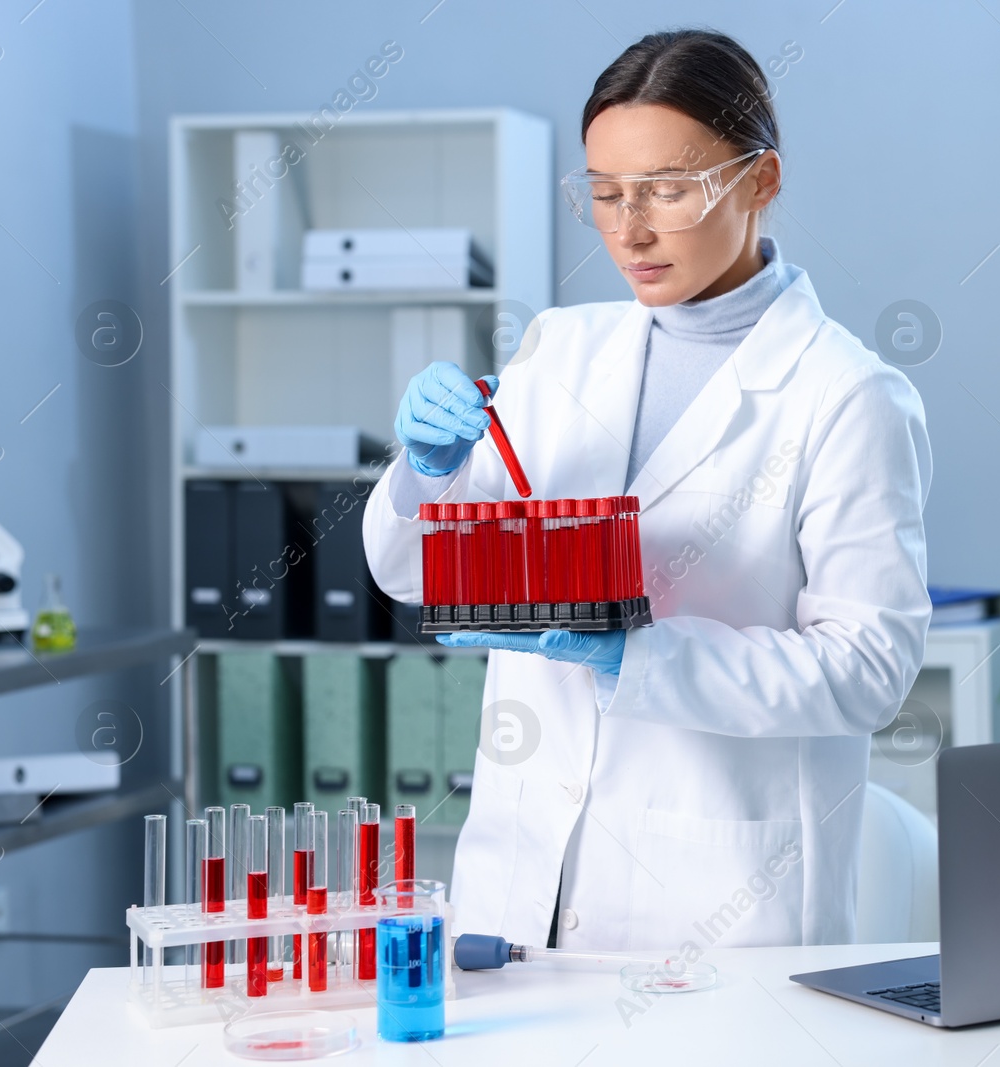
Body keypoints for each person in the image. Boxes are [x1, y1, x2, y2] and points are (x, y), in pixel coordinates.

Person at [363, 29, 931, 954]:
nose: (630, 229)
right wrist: (431, 473)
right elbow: (412, 577)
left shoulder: (846, 394)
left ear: (761, 179)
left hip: (717, 904)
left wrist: (640, 656)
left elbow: (871, 668)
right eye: (606, 193)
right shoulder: (559, 347)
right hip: (516, 889)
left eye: (668, 189)